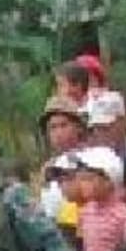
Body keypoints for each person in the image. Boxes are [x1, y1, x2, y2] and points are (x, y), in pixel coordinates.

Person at [38, 94, 88, 227]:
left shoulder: (92, 159)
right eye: (53, 128)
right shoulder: (47, 169)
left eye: (63, 125)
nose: (58, 133)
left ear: (78, 127)